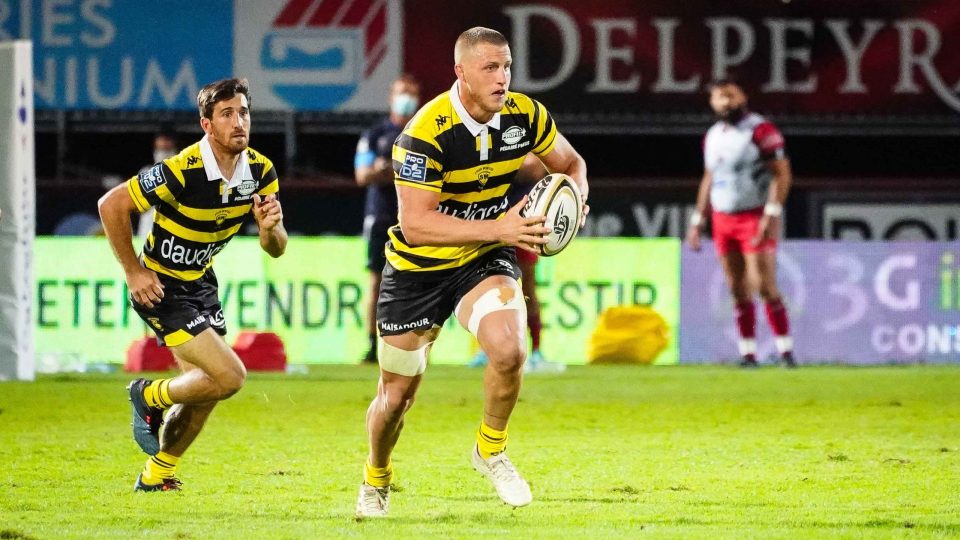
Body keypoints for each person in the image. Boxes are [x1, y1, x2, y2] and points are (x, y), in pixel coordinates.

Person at [354, 27, 589, 519]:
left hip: (483, 256)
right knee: (395, 398)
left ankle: (490, 449)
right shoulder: (424, 133)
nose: (503, 77)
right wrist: (500, 227)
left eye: (506, 66)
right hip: (418, 270)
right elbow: (415, 225)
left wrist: (576, 197)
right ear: (460, 73)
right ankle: (376, 476)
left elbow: (569, 162)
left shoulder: (524, 115)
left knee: (509, 348)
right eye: (490, 68)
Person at [98, 77, 287, 492]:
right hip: (160, 285)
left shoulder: (260, 170)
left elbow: (276, 248)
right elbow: (111, 205)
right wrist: (133, 271)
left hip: (200, 282)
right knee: (230, 376)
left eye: (244, 112)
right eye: (227, 114)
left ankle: (156, 475)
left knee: (207, 390)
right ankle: (148, 396)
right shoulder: (181, 170)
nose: (239, 122)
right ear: (207, 125)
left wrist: (270, 228)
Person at [685, 80, 795, 368]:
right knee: (736, 287)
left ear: (743, 96)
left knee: (763, 284)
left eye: (730, 95)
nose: (725, 102)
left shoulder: (760, 131)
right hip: (723, 218)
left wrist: (770, 215)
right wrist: (698, 220)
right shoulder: (713, 136)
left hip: (754, 215)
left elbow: (781, 174)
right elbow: (709, 178)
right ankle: (748, 354)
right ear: (712, 103)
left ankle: (785, 352)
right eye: (719, 97)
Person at [468, 153, 563, 373]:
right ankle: (487, 349)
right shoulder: (491, 137)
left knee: (528, 289)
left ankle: (537, 351)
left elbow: (535, 168)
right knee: (487, 290)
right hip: (493, 224)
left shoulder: (529, 137)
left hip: (524, 224)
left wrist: (498, 165)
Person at [355, 75, 421, 364]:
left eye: (411, 93)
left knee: (418, 284)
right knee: (376, 283)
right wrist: (392, 169)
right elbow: (362, 175)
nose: (406, 98)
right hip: (381, 216)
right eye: (401, 93)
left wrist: (388, 169)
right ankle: (372, 345)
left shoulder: (424, 132)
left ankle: (414, 346)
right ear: (391, 97)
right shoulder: (374, 134)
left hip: (417, 217)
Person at [136, 131, 180, 242]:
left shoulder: (183, 173)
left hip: (174, 236)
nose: (163, 153)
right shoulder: (145, 172)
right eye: (160, 149)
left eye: (167, 150)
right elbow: (136, 206)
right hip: (147, 232)